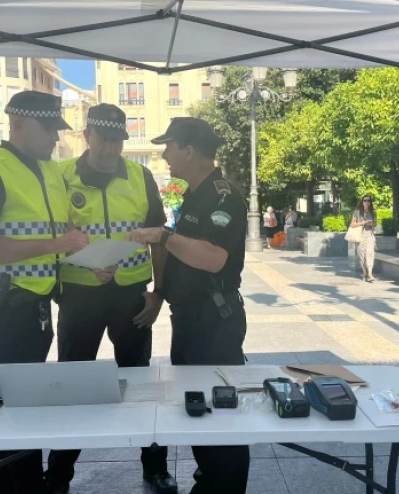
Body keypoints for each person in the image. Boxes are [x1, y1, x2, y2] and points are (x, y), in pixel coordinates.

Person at [0, 91, 88, 494]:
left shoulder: (48, 171)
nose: (54, 137)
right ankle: (16, 486)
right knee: (15, 407)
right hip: (4, 305)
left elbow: (55, 238)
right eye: (48, 128)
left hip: (36, 304)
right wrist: (55, 247)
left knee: (19, 405)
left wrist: (84, 260)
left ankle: (10, 485)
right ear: (18, 123)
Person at [44, 104, 176, 493]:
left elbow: (159, 238)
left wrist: (159, 295)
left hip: (131, 297)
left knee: (140, 382)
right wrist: (82, 263)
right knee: (74, 385)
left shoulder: (140, 175)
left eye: (118, 140)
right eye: (103, 139)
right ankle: (58, 476)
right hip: (79, 295)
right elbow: (51, 233)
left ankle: (155, 468)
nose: (110, 148)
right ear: (87, 135)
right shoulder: (60, 175)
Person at [128, 117, 250, 494]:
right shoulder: (195, 194)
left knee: (221, 408)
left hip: (213, 322)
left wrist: (162, 236)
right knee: (197, 405)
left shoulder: (223, 194)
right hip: (191, 320)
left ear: (190, 150)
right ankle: (210, 473)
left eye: (169, 147)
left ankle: (224, 483)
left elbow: (213, 258)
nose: (165, 155)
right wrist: (162, 290)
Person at [351, 194, 377, 282]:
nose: (366, 202)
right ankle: (365, 273)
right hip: (360, 235)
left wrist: (370, 223)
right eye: (365, 200)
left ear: (370, 202)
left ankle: (370, 274)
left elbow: (374, 224)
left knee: (370, 253)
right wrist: (363, 223)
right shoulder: (357, 212)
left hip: (369, 234)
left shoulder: (373, 212)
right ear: (362, 202)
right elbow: (352, 224)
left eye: (368, 201)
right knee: (362, 256)